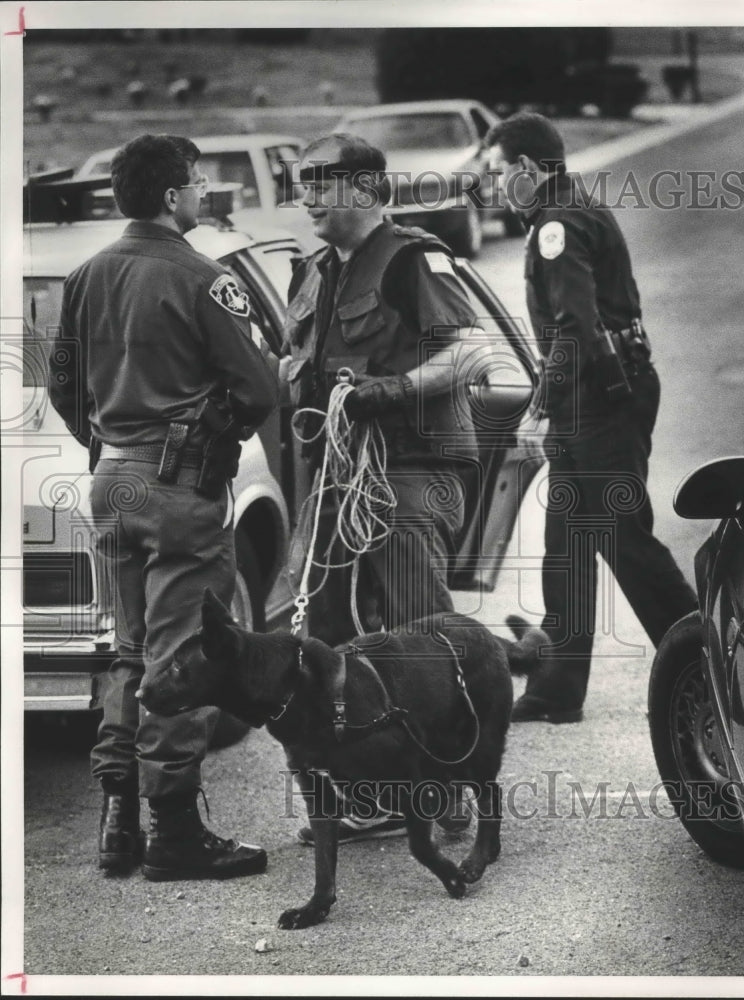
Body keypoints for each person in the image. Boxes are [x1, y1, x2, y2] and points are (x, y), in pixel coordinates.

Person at [49, 134, 278, 879]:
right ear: (175, 194)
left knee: (130, 649)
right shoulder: (202, 277)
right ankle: (176, 833)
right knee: (179, 660)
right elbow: (258, 389)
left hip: (112, 479)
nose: (205, 189)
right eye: (199, 181)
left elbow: (62, 383)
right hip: (178, 491)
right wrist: (208, 433)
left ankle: (119, 822)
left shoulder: (84, 277)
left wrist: (109, 440)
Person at [284, 133, 484, 841]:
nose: (304, 192)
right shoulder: (310, 271)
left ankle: (448, 790)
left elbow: (470, 351)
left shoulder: (411, 257)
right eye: (300, 180)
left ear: (365, 190)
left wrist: (394, 389)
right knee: (325, 640)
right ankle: (367, 793)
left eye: (319, 179)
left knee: (420, 637)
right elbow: (293, 362)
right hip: (336, 481)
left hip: (407, 471)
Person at [485, 112, 698, 724]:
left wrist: (539, 409)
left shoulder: (557, 225)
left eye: (501, 174)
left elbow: (574, 329)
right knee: (568, 545)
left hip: (602, 397)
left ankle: (703, 663)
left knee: (622, 538)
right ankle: (556, 689)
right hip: (595, 394)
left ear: (527, 169)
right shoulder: (565, 211)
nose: (498, 186)